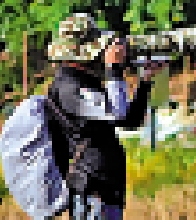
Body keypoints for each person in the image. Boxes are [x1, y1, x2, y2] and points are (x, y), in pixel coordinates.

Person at [45, 13, 161, 220]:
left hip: (105, 190)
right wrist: (114, 69)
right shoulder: (69, 86)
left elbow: (128, 121)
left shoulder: (84, 80)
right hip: (90, 190)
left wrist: (145, 81)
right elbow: (117, 112)